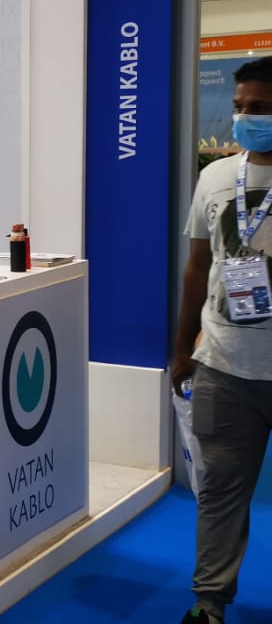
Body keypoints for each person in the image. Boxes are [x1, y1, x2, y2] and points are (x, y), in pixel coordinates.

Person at [174, 56, 272, 624]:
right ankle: (208, 604)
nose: (245, 118)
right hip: (223, 365)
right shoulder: (215, 177)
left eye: (260, 108)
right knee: (218, 493)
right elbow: (197, 267)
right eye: (239, 107)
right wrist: (181, 348)